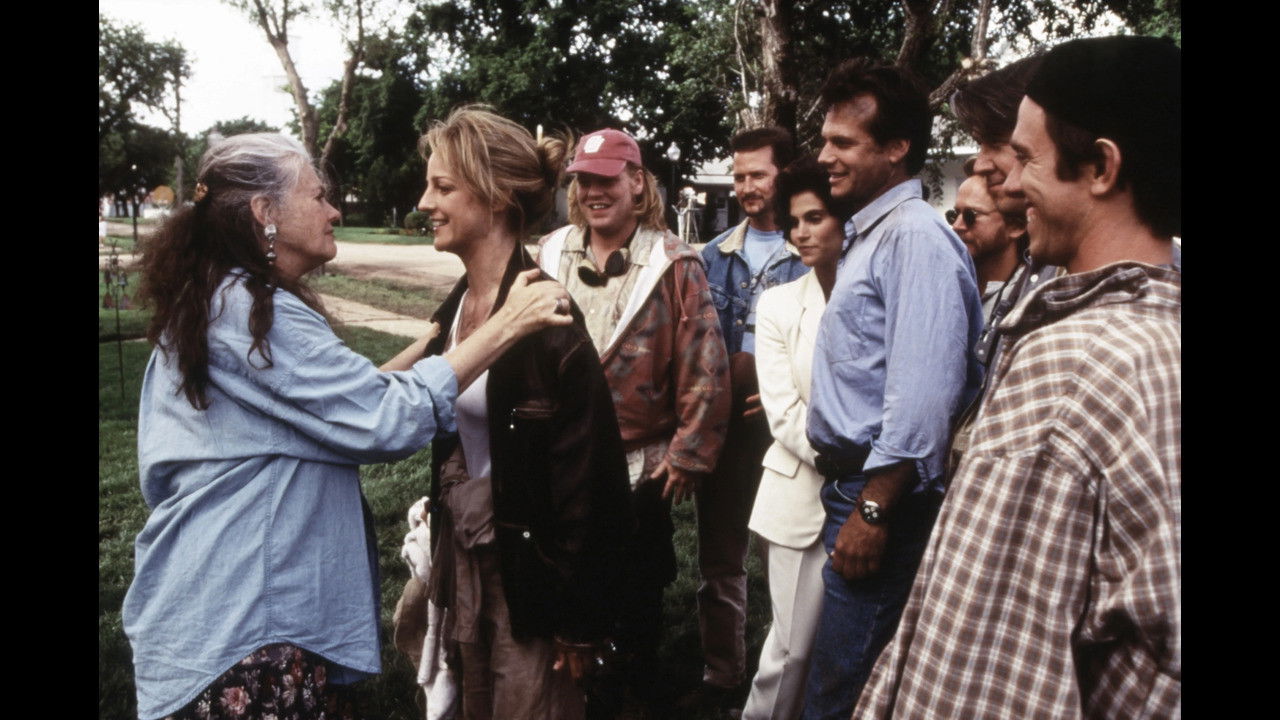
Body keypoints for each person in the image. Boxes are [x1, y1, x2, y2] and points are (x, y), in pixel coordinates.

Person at [124, 133, 572, 720]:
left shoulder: (220, 297)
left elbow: (331, 407)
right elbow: (381, 419)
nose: (334, 211)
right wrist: (507, 324)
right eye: (318, 197)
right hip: (248, 623)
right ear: (265, 212)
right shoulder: (249, 314)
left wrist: (433, 345)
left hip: (222, 610)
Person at [854, 35, 1181, 719]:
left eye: (1026, 157)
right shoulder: (1160, 333)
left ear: (1101, 167)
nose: (1004, 180)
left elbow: (977, 675)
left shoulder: (1076, 364)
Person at [414, 106, 635, 720]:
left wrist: (579, 620)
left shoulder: (548, 317)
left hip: (532, 580)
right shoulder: (459, 306)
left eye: (442, 187)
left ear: (495, 197)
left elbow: (590, 480)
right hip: (471, 559)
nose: (424, 202)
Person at [800, 59, 985, 720]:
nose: (825, 157)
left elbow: (923, 394)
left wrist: (874, 510)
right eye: (824, 140)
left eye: (842, 143)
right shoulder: (873, 234)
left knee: (843, 692)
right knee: (842, 677)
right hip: (857, 488)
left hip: (881, 497)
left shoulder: (914, 239)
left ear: (896, 147)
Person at [536, 127, 730, 718]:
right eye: (584, 181)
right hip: (558, 456)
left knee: (636, 585)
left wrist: (688, 452)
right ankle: (567, 691)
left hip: (638, 462)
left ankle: (632, 690)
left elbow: (705, 363)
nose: (594, 192)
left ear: (638, 183)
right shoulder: (549, 252)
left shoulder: (674, 262)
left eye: (607, 180)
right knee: (560, 577)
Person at [691, 126, 808, 712]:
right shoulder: (712, 256)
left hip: (787, 433)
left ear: (785, 173)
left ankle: (789, 670)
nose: (745, 187)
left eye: (757, 174)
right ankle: (723, 672)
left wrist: (785, 390)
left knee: (784, 557)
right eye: (738, 176)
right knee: (720, 553)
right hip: (724, 426)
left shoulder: (812, 249)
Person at [740, 156, 844, 720]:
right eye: (794, 222)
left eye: (816, 218)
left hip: (875, 498)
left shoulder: (877, 296)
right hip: (799, 493)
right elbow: (781, 412)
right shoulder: (779, 303)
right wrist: (850, 462)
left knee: (844, 649)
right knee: (791, 648)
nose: (801, 233)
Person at [947, 175, 1024, 321]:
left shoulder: (1028, 295)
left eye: (970, 216)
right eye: (954, 215)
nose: (957, 226)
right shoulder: (949, 286)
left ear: (1015, 226)